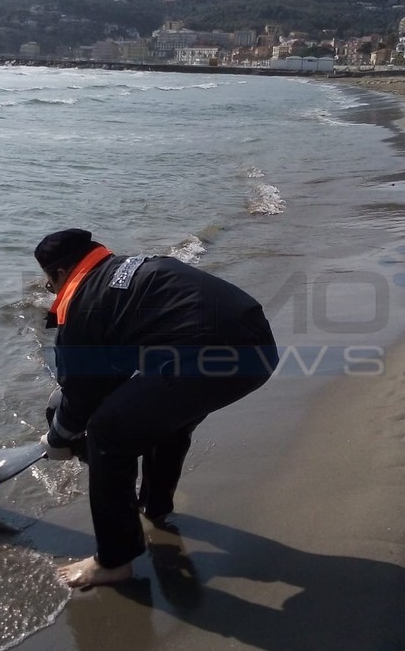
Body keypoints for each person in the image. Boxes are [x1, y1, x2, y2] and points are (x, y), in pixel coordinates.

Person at [35, 228, 278, 588]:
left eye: (49, 283)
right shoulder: (131, 271)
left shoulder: (83, 303)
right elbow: (110, 376)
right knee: (163, 416)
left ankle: (114, 561)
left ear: (59, 273)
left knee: (106, 432)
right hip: (259, 345)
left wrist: (58, 438)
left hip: (209, 356)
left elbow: (81, 396)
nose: (51, 291)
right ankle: (155, 504)